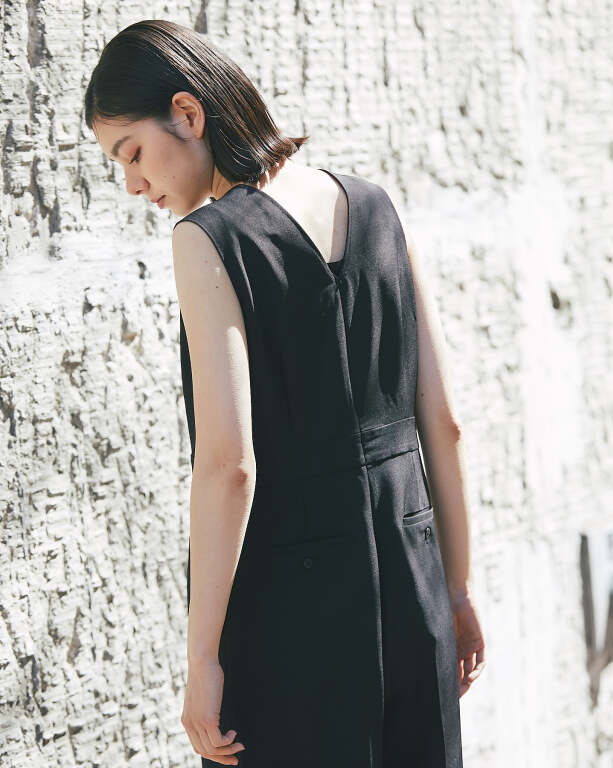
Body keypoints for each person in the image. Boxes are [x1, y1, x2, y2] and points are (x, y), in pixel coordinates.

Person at [85, 18, 486, 768]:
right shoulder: (376, 205)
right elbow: (443, 422)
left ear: (188, 114)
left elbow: (229, 467)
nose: (134, 185)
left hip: (293, 622)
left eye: (131, 153)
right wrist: (456, 592)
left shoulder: (208, 238)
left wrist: (202, 659)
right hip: (416, 586)